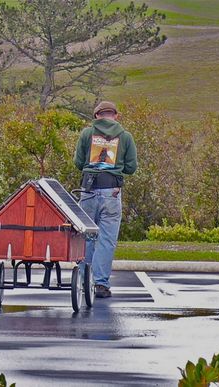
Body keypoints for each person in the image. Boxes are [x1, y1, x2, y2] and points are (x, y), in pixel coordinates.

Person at [74, 101, 137, 298]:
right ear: (115, 115)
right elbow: (131, 168)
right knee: (107, 239)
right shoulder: (125, 137)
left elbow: (78, 162)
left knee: (87, 235)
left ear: (96, 116)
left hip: (88, 190)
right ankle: (100, 284)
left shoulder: (86, 134)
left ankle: (83, 280)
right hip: (112, 191)